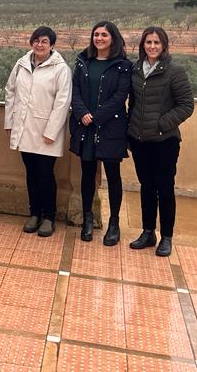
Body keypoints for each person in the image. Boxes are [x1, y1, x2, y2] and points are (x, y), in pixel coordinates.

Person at [127, 26, 194, 257]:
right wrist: (130, 128)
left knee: (164, 188)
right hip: (139, 140)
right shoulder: (136, 70)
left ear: (164, 45)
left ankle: (166, 237)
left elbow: (186, 106)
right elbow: (133, 103)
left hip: (164, 142)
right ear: (142, 45)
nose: (152, 46)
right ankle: (148, 232)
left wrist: (161, 124)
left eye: (156, 42)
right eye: (148, 43)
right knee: (146, 187)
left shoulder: (175, 71)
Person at [4, 26, 72, 237]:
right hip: (24, 129)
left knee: (45, 174)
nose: (39, 45)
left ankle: (49, 217)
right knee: (31, 174)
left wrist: (51, 131)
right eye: (36, 41)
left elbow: (63, 102)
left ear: (52, 45)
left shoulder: (61, 69)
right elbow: (10, 92)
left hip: (46, 132)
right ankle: (34, 213)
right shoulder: (22, 63)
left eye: (44, 41)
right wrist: (10, 123)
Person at [69, 20, 132, 245]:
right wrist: (81, 112)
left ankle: (114, 224)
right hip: (85, 127)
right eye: (96, 34)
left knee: (113, 177)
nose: (99, 39)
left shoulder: (123, 65)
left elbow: (120, 96)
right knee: (87, 175)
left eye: (104, 35)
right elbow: (74, 89)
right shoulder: (83, 61)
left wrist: (97, 116)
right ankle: (88, 219)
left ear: (112, 38)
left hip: (111, 128)